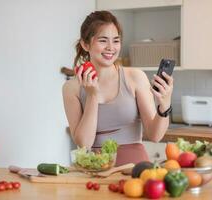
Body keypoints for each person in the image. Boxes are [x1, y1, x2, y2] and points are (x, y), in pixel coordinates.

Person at [62, 10, 174, 166]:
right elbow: (84, 144)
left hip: (134, 171)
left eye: (116, 41)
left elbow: (155, 135)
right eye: (103, 40)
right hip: (95, 170)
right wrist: (92, 96)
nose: (111, 47)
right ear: (85, 44)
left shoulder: (135, 77)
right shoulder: (71, 88)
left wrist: (165, 104)